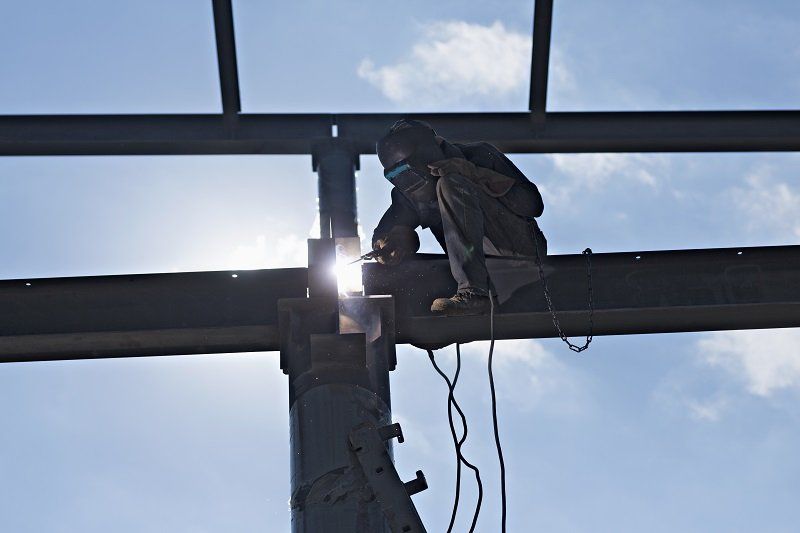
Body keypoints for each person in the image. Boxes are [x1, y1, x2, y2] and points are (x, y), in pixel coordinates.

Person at [371, 119, 547, 316]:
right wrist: (396, 241)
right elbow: (383, 237)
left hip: (520, 249)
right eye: (399, 175)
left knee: (450, 183)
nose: (410, 182)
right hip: (484, 270)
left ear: (432, 149)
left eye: (411, 171)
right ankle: (469, 291)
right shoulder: (407, 195)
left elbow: (533, 205)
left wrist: (475, 174)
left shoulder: (479, 154)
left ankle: (474, 294)